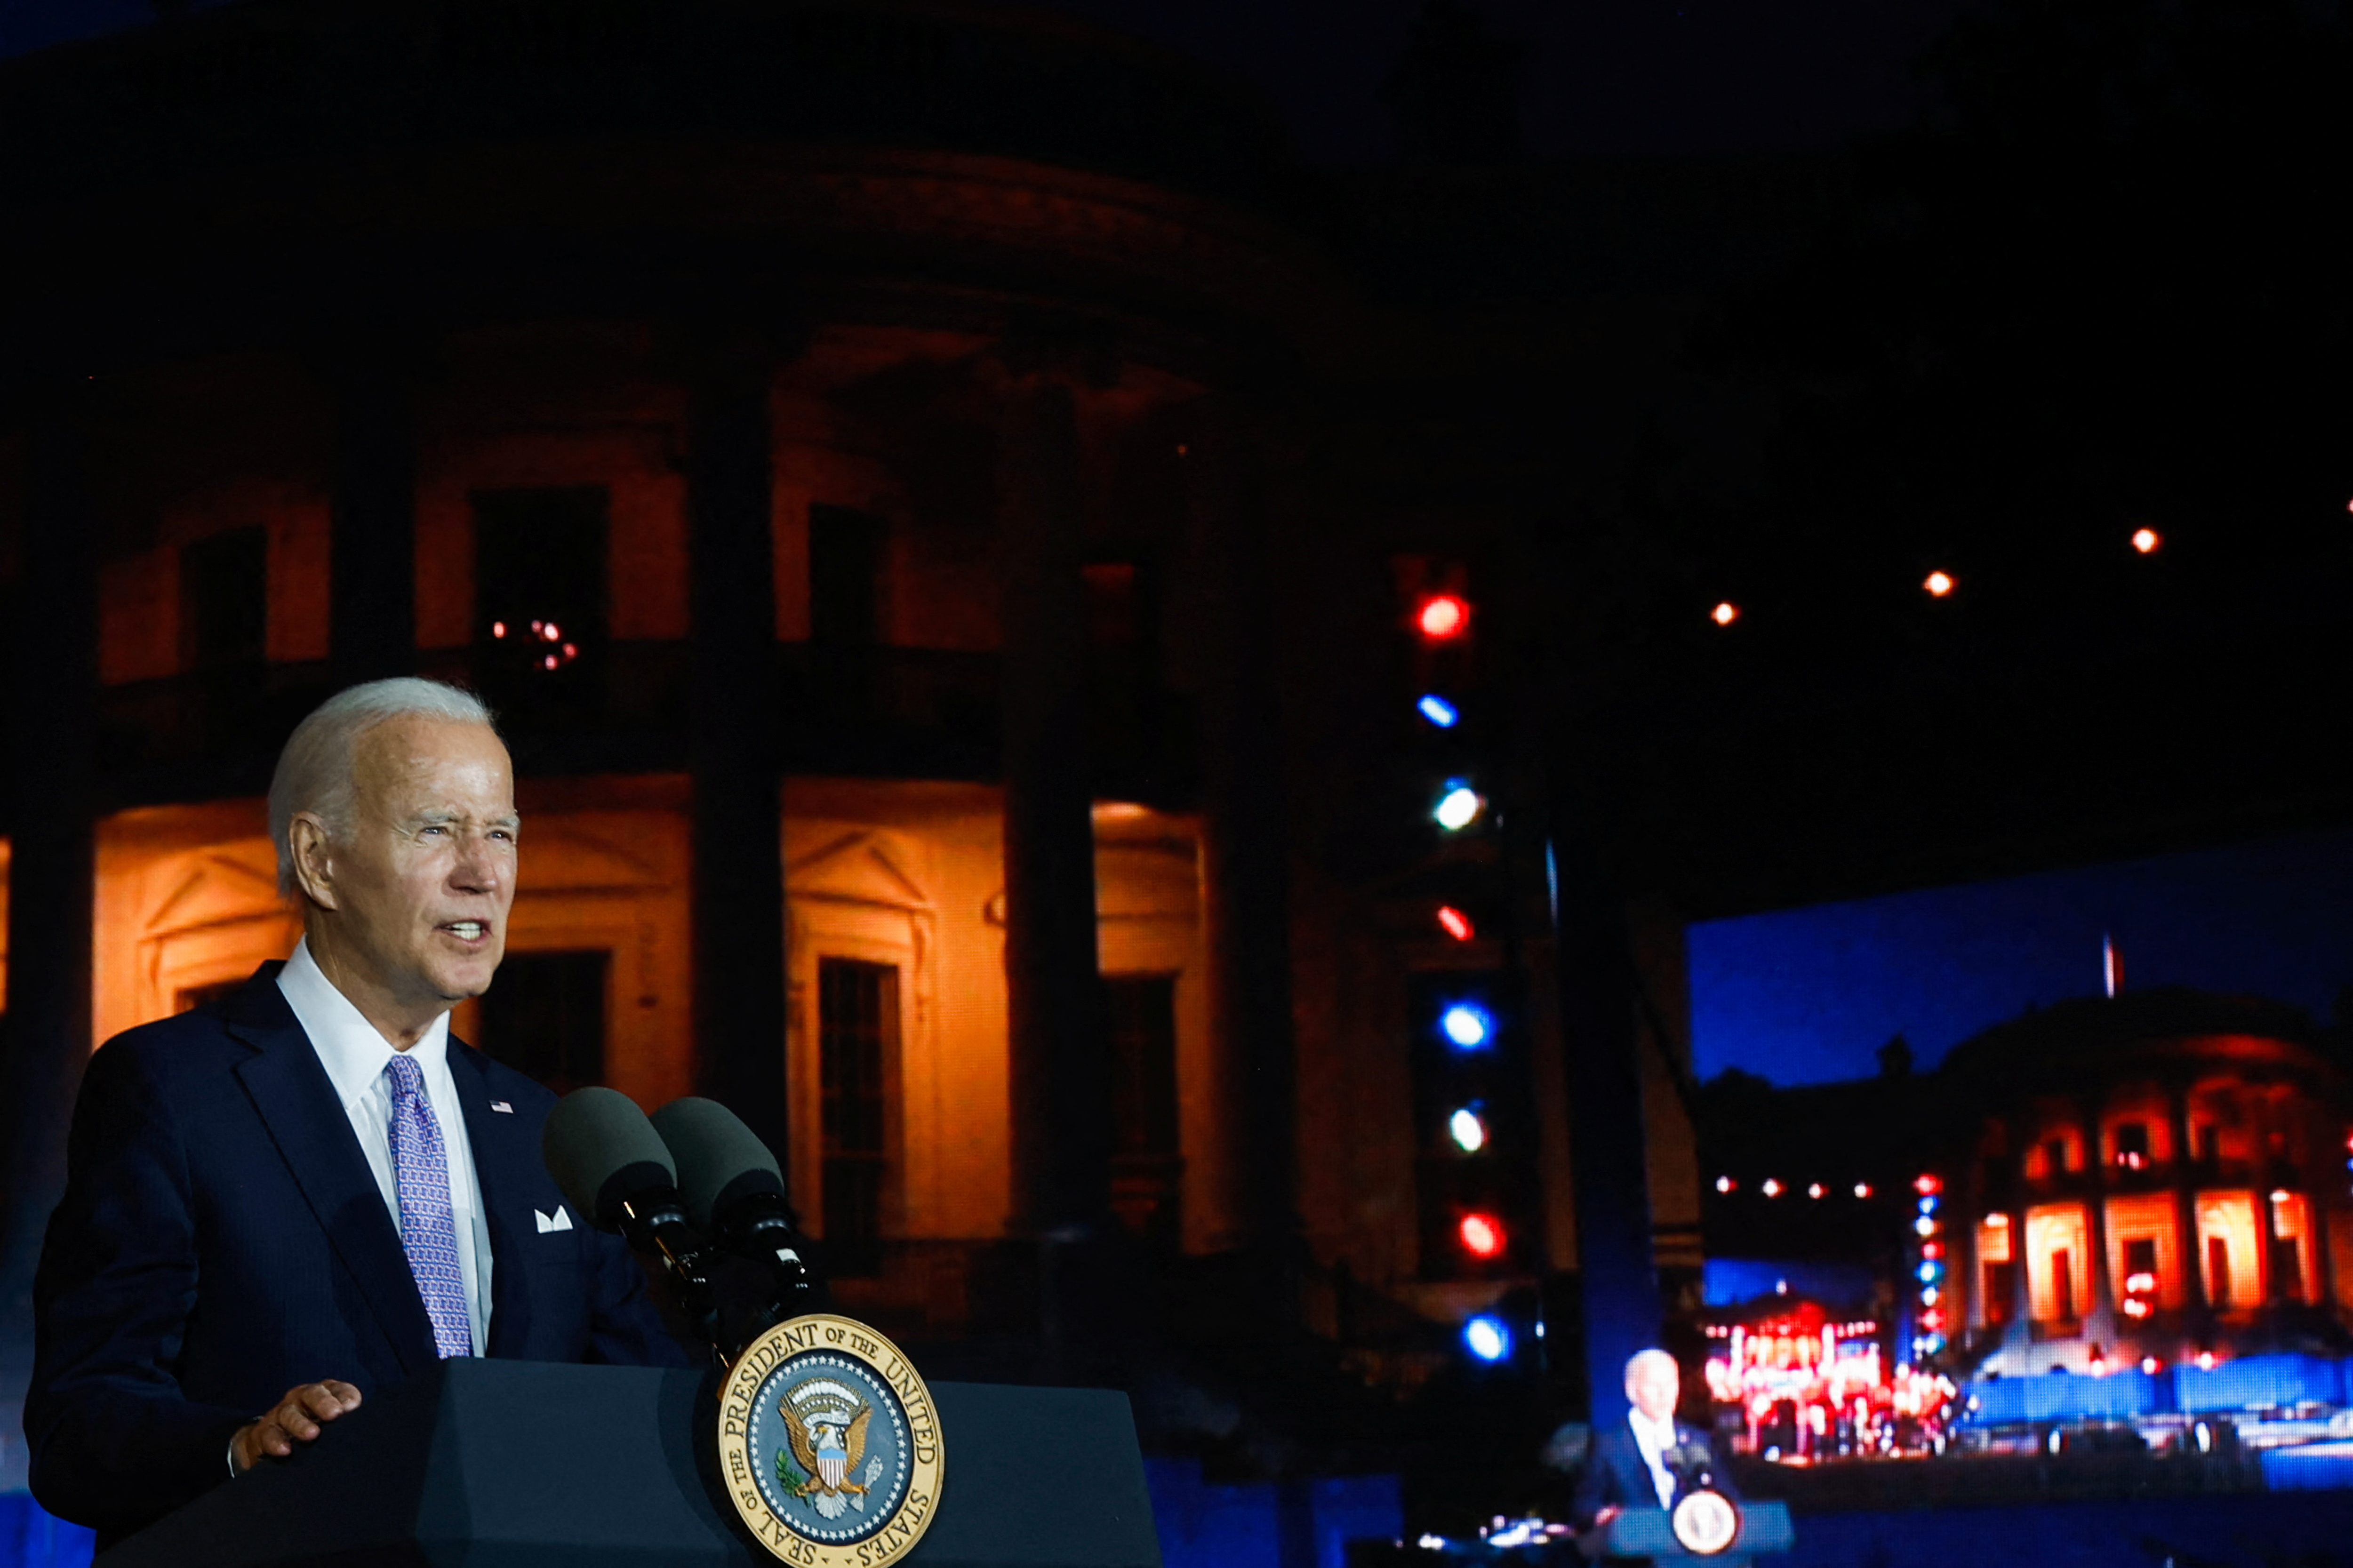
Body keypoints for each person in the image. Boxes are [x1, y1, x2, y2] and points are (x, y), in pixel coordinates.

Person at [25, 679, 687, 1544]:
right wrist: (237, 1448)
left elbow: (643, 1410)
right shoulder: (173, 1089)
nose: (482, 873)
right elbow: (82, 1421)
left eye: (500, 833)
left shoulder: (543, 1130)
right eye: (435, 828)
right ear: (319, 858)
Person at [1572, 1349, 1738, 1552]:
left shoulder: (1699, 1440)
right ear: (1631, 1391)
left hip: (1696, 1555)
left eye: (1671, 1384)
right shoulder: (1607, 1444)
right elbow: (1583, 1507)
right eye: (1654, 1385)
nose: (1664, 1394)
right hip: (1635, 1557)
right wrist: (1601, 1516)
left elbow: (1730, 1499)